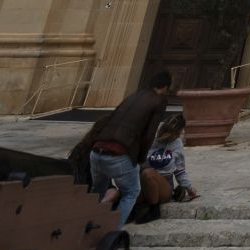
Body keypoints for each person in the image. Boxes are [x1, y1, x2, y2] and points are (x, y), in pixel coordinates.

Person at [72, 71, 171, 225]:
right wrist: (139, 159)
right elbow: (149, 134)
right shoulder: (158, 101)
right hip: (119, 152)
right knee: (131, 192)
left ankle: (84, 224)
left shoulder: (132, 97)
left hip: (96, 151)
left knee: (96, 192)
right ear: (165, 87)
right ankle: (113, 230)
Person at [145, 112, 199, 204]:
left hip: (164, 185)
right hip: (145, 185)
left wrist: (189, 188)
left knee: (148, 173)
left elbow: (179, 171)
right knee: (146, 174)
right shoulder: (150, 139)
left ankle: (153, 208)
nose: (179, 135)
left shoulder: (177, 144)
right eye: (178, 133)